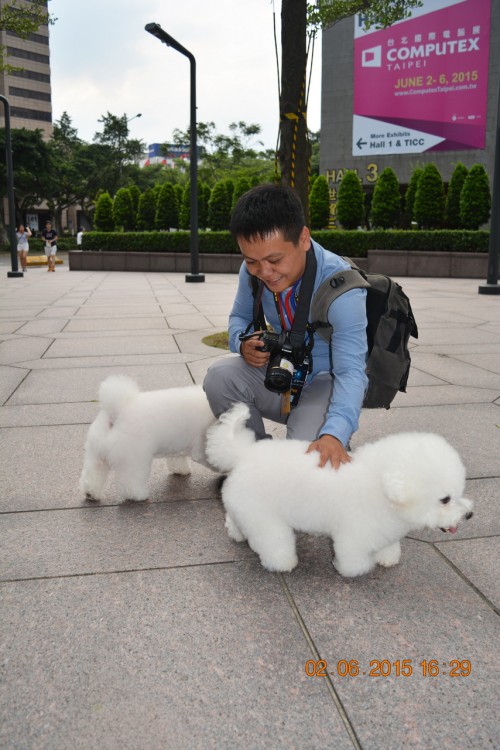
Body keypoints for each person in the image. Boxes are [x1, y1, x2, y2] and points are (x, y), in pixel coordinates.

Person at [203, 183, 368, 470]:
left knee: (302, 462)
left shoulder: (343, 289)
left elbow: (351, 372)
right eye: (252, 261)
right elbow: (238, 319)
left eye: (275, 260)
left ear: (303, 238)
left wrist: (334, 432)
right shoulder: (252, 271)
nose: (265, 272)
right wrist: (241, 342)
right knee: (221, 377)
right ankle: (254, 462)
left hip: (326, 381)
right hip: (283, 373)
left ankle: (326, 431)